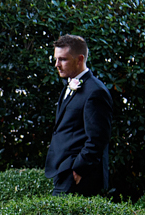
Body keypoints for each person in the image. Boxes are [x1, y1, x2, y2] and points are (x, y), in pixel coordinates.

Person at [44, 34, 113, 196]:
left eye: (63, 59)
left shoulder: (95, 91)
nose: (57, 65)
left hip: (79, 176)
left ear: (80, 59)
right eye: (56, 59)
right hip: (63, 171)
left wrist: (78, 169)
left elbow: (98, 138)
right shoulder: (68, 86)